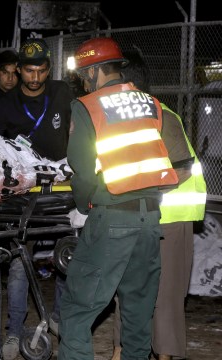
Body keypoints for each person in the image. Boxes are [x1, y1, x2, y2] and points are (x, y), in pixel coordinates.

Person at [59, 37, 181, 360]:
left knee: (75, 311)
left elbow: (82, 171)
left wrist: (84, 202)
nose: (84, 83)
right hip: (150, 221)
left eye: (85, 76)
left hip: (112, 217)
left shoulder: (87, 107)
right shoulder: (151, 103)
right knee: (138, 317)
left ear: (98, 71)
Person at [110, 52, 207, 360]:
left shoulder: (161, 116)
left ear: (129, 87)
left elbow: (181, 170)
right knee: (128, 290)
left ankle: (161, 355)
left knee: (164, 295)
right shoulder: (125, 119)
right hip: (139, 215)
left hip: (171, 218)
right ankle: (120, 351)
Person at [0, 38, 73, 360]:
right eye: (29, 71)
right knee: (21, 264)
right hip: (24, 196)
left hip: (62, 192)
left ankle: (59, 318)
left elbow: (77, 128)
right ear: (19, 70)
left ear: (49, 69)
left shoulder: (62, 92)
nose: (34, 78)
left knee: (67, 257)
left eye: (41, 71)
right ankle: (13, 332)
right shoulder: (4, 106)